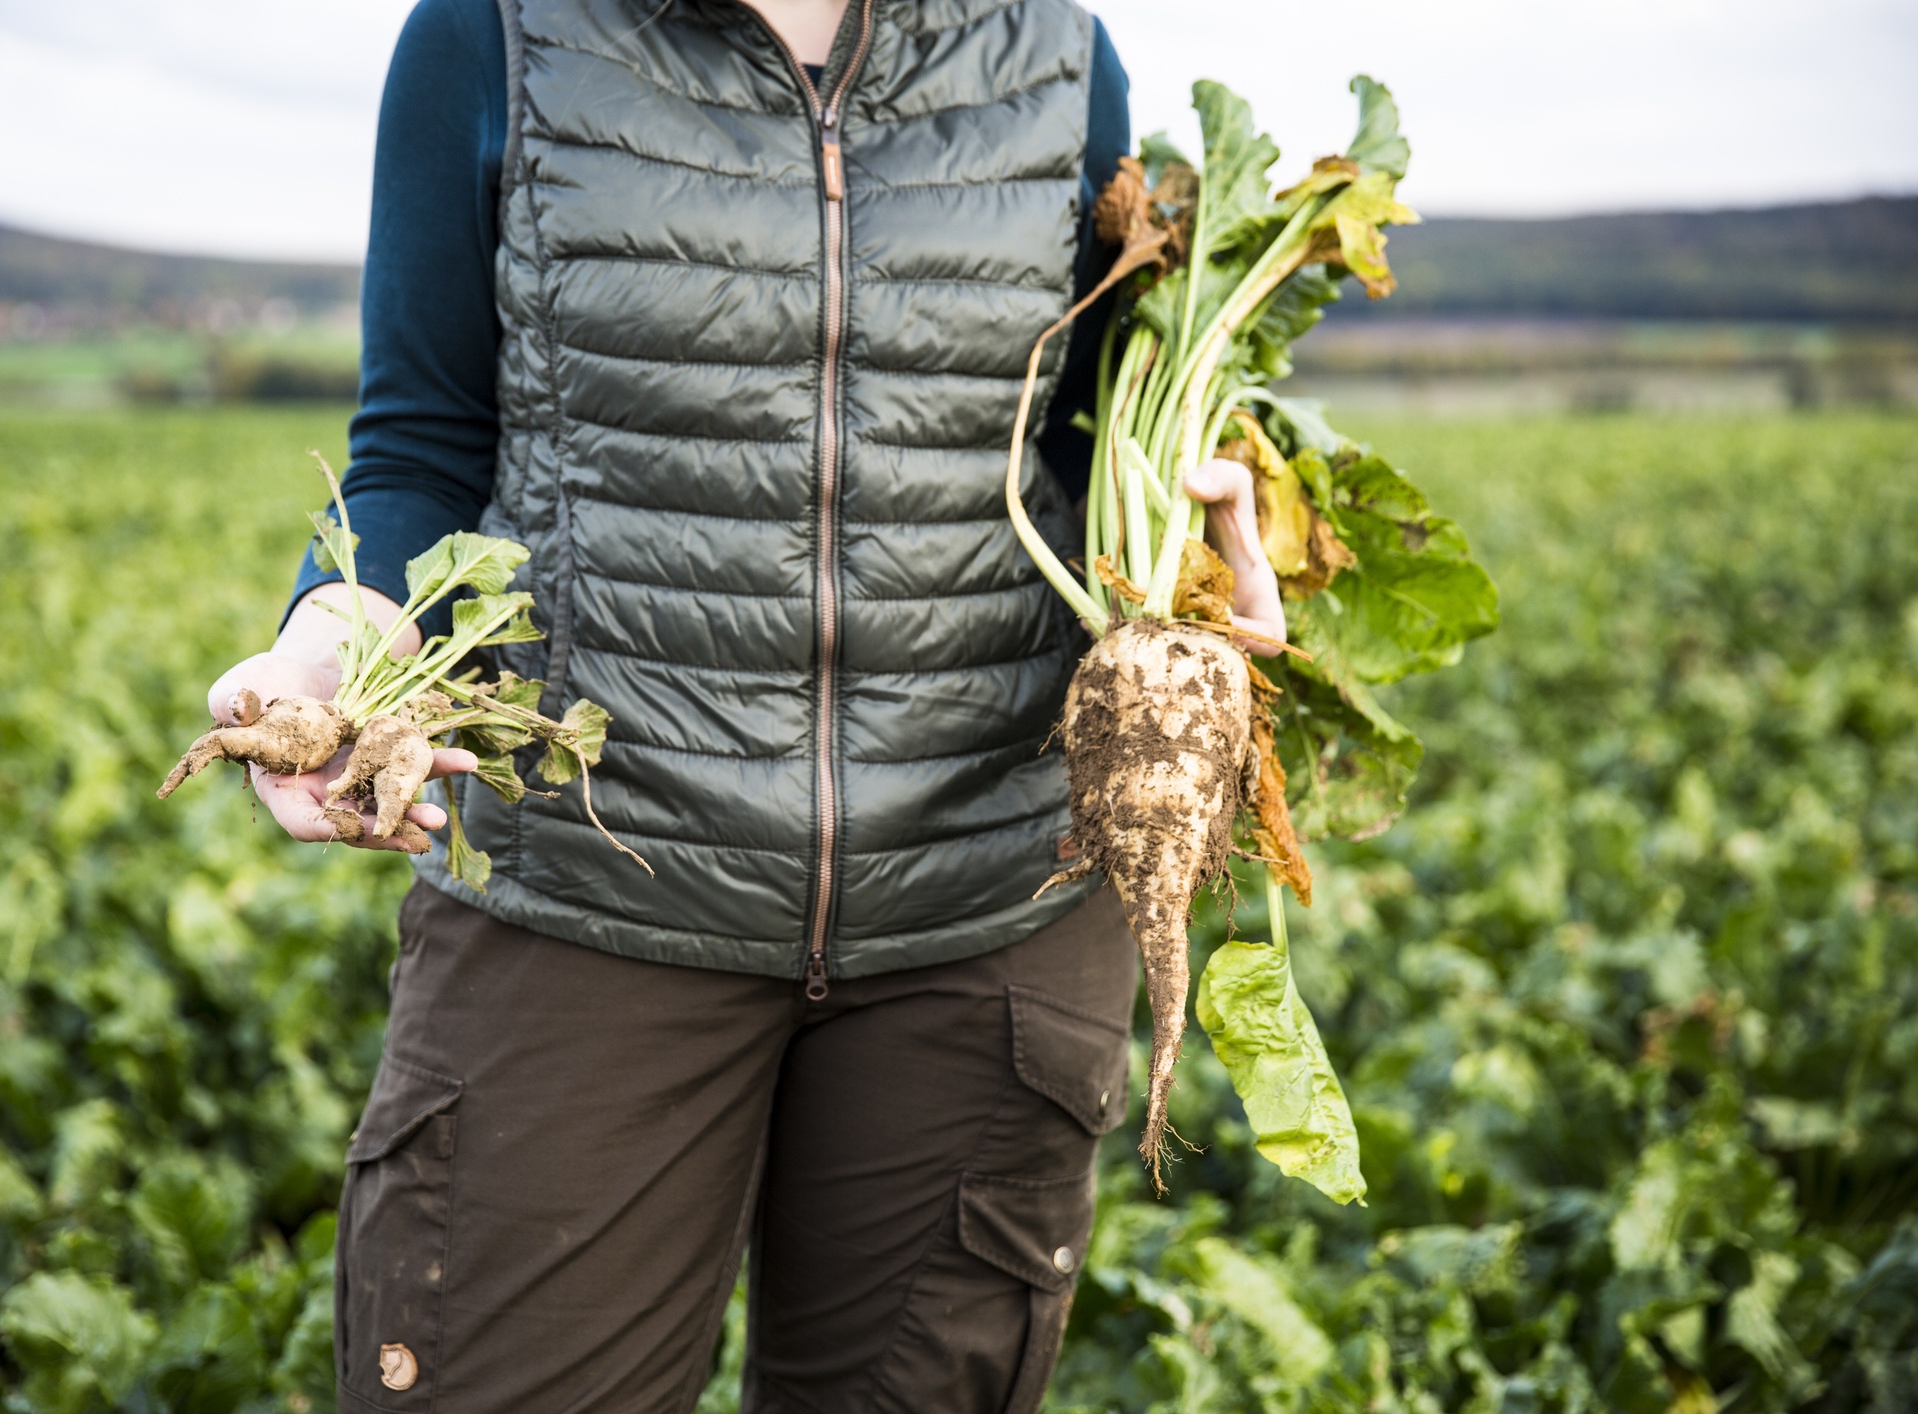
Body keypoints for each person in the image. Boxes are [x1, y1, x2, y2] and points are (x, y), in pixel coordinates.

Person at [203, 0, 1285, 1408]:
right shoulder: (494, 32)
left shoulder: (1053, 51)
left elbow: (1073, 438)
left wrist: (1201, 564)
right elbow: (420, 437)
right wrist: (328, 643)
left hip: (987, 912)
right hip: (589, 884)